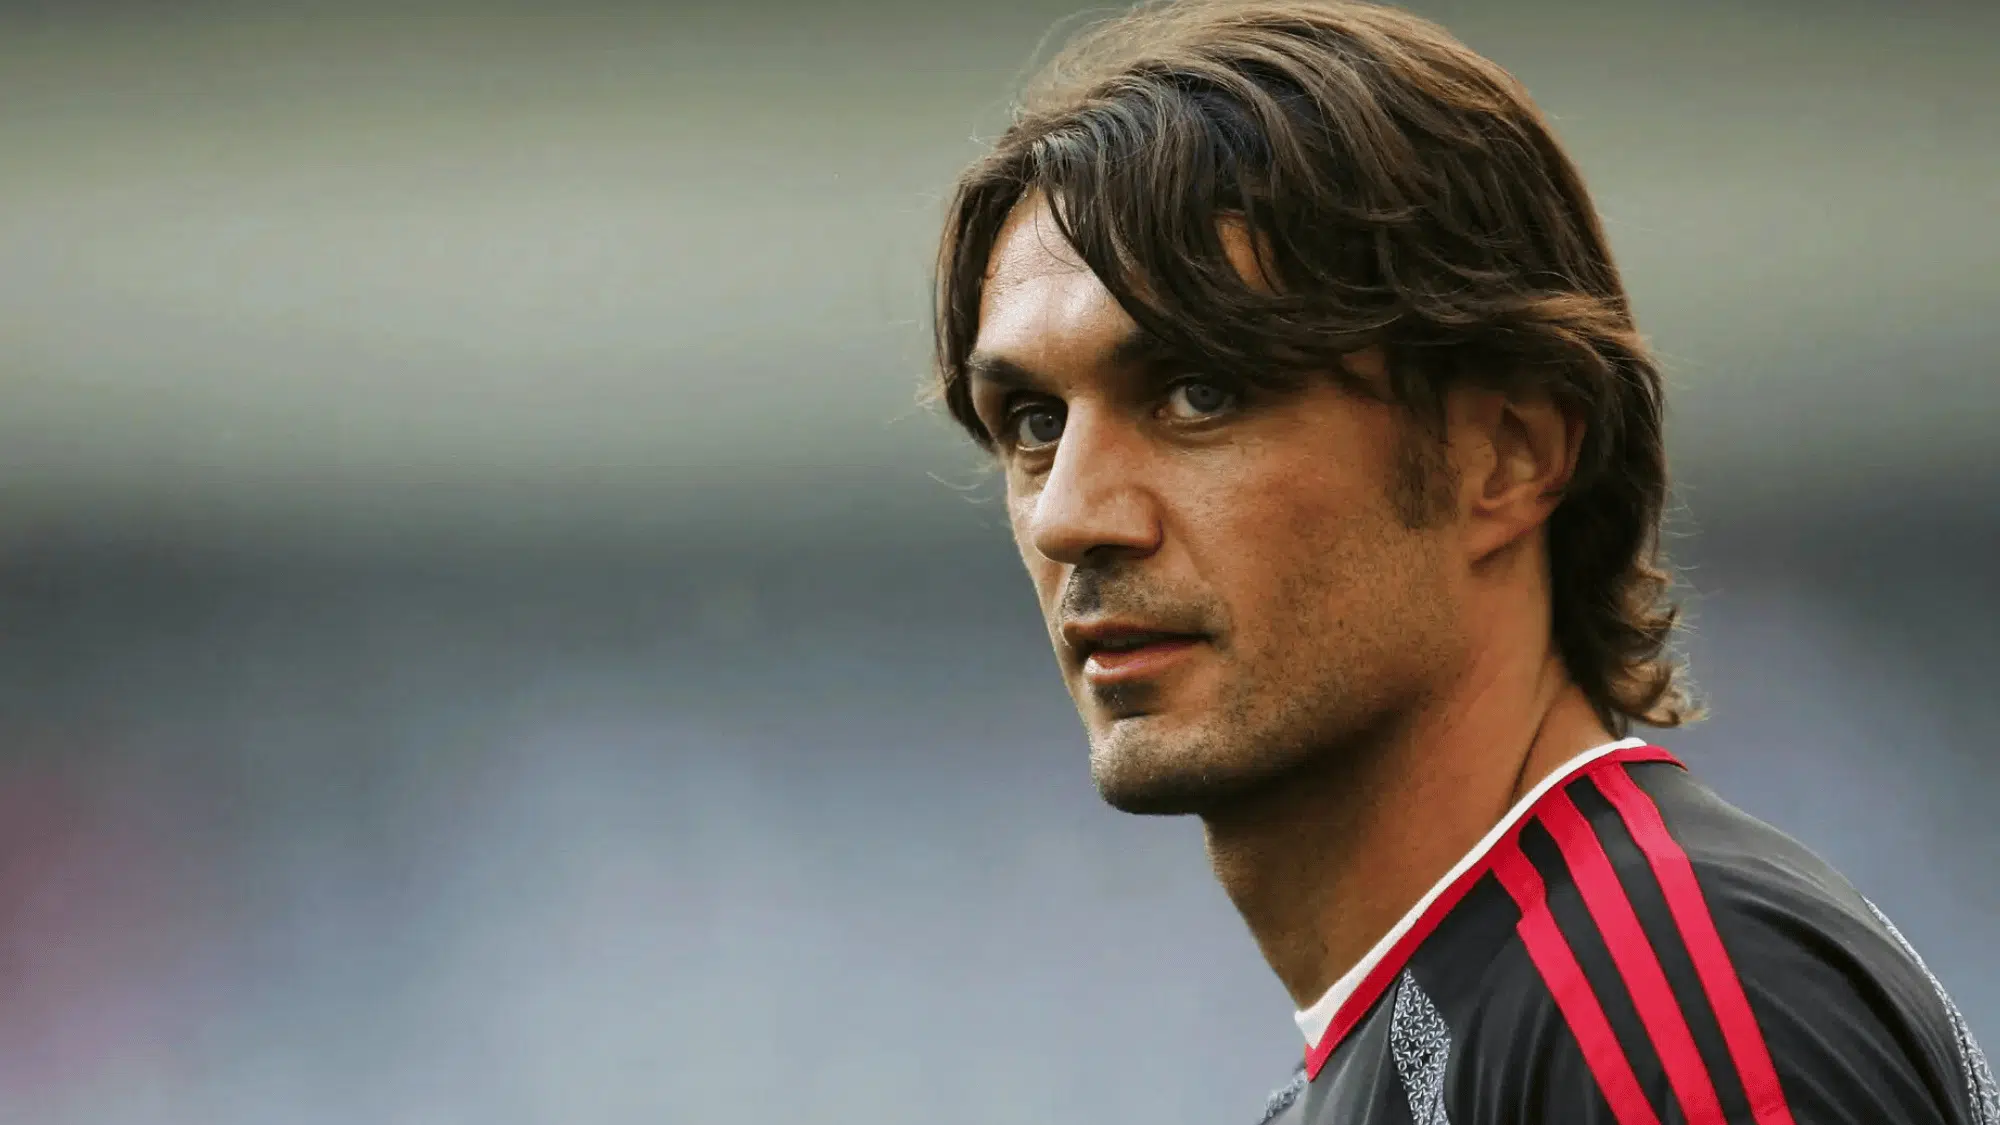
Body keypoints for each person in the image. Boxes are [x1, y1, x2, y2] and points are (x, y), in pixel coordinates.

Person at [926, 2, 1996, 1122]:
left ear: (1507, 456)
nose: (1069, 516)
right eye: (1034, 423)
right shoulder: (1478, 1020)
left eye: (1201, 393)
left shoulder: (1651, 1007)